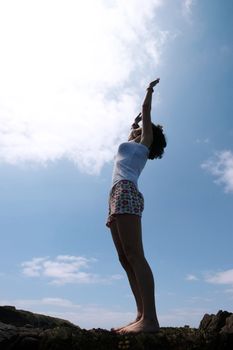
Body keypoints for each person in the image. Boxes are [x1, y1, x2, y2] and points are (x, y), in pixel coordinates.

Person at [106, 78, 167, 334]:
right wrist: (133, 125)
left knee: (135, 254)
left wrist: (149, 91)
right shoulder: (132, 146)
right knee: (124, 258)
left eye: (141, 132)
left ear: (147, 138)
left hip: (126, 192)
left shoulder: (142, 147)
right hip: (114, 196)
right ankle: (141, 315)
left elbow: (146, 113)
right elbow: (133, 127)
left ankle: (150, 320)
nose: (135, 132)